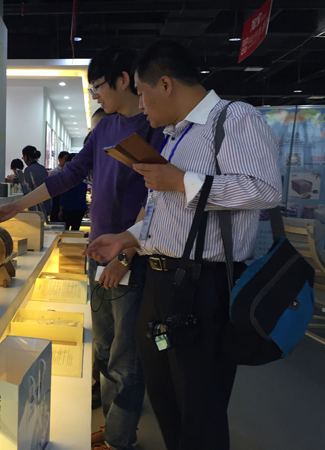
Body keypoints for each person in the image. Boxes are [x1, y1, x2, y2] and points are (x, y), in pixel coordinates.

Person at [84, 40, 282, 450]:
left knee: (200, 407)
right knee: (167, 400)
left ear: (165, 84)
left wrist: (180, 181)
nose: (141, 105)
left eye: (142, 94)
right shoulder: (177, 136)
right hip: (161, 282)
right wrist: (128, 238)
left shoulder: (234, 118)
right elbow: (169, 213)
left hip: (203, 285)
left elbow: (264, 189)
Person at [0, 46, 164, 450]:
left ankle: (119, 439)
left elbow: (155, 201)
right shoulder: (104, 130)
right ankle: (114, 426)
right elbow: (68, 176)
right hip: (98, 253)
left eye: (98, 86)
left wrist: (126, 255)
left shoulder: (154, 127)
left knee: (124, 356)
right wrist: (18, 205)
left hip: (129, 257)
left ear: (123, 80)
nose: (95, 95)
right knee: (102, 347)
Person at [58, 153, 87, 230]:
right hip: (80, 207)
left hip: (68, 208)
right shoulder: (83, 176)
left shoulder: (66, 176)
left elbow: (64, 194)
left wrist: (60, 209)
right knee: (76, 230)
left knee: (65, 230)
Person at [22, 145, 51, 217]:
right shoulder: (43, 168)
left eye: (23, 157)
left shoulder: (28, 170)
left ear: (26, 157)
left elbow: (28, 189)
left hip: (36, 206)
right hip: (46, 203)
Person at [50, 151, 71, 222]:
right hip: (56, 200)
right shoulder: (53, 172)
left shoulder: (69, 172)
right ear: (60, 159)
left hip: (65, 201)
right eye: (65, 159)